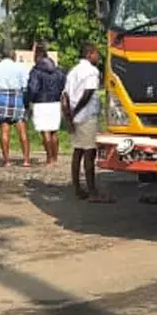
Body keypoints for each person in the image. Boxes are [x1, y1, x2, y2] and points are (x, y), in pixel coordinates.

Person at [63, 43, 108, 200]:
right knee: (90, 153)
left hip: (75, 117)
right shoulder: (91, 71)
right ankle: (92, 191)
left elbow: (65, 97)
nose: (98, 57)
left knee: (78, 152)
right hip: (87, 116)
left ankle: (77, 189)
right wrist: (77, 111)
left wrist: (69, 116)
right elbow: (88, 93)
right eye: (96, 54)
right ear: (89, 54)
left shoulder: (73, 71)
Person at [0, 47, 31, 168]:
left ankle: (6, 161)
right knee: (22, 129)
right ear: (13, 56)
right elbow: (26, 85)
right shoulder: (20, 67)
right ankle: (26, 160)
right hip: (18, 97)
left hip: (2, 97)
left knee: (5, 129)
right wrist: (27, 101)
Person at [26, 45, 66, 165]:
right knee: (54, 131)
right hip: (55, 102)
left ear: (37, 56)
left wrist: (29, 99)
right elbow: (63, 83)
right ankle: (55, 158)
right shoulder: (57, 70)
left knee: (45, 131)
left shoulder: (36, 71)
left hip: (41, 103)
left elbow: (32, 88)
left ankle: (49, 159)